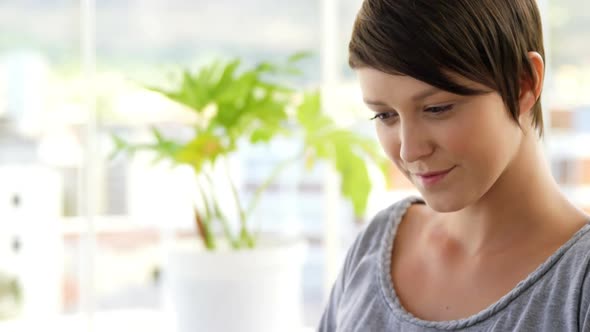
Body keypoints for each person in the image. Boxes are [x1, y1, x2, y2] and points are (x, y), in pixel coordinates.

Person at [318, 0, 590, 331]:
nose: (409, 150)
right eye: (385, 115)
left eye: (437, 108)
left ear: (524, 84)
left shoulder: (580, 286)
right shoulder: (374, 248)